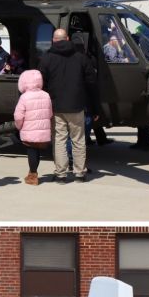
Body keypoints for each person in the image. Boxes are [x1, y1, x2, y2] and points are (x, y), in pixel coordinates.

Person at [39, 28, 97, 182]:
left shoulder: (46, 58)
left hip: (56, 106)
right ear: (68, 38)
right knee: (78, 140)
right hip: (77, 105)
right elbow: (91, 83)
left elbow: (41, 83)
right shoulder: (81, 57)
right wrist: (94, 107)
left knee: (59, 140)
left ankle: (61, 174)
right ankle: (79, 173)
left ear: (53, 40)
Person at [13, 69, 53, 186]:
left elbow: (18, 116)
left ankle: (33, 175)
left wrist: (19, 127)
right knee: (37, 151)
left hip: (29, 130)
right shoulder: (46, 95)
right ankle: (33, 173)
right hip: (42, 131)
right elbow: (50, 113)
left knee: (32, 151)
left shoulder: (24, 97)